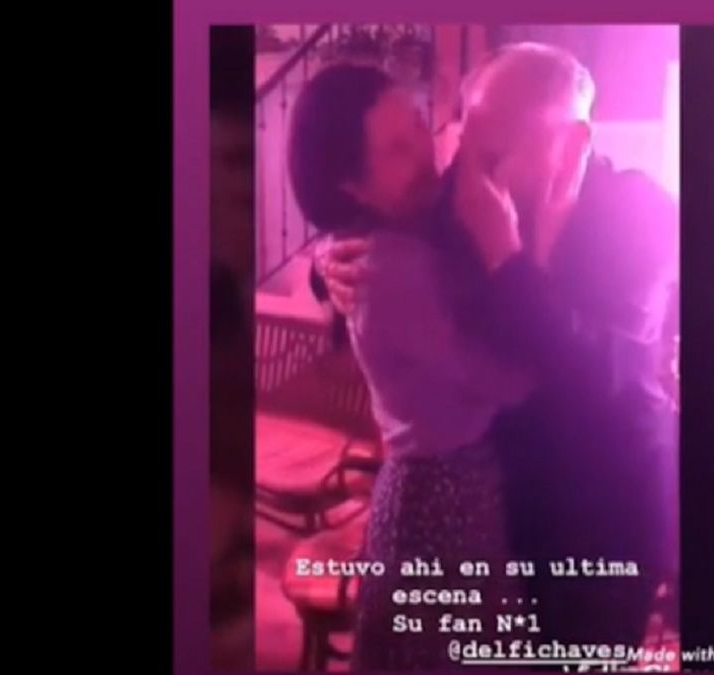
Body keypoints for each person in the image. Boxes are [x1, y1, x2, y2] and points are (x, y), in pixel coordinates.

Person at [317, 43, 680, 653]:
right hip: (503, 502)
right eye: (466, 143)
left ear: (572, 143)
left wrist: (509, 257)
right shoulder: (473, 186)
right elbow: (388, 242)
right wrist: (328, 262)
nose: (463, 170)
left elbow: (587, 372)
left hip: (603, 508)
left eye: (490, 154)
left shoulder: (641, 215)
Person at [287, 62, 529, 670]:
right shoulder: (386, 266)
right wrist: (530, 256)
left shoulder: (419, 222)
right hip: (442, 496)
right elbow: (504, 380)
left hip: (445, 487)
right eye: (397, 147)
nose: (426, 152)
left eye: (420, 124)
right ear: (352, 186)